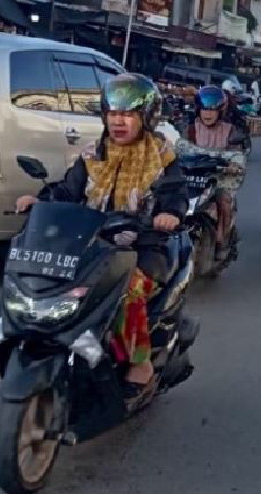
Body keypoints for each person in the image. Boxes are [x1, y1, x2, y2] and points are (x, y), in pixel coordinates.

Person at [15, 74, 187, 405]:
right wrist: (41, 201)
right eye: (113, 113)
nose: (119, 121)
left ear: (146, 117)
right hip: (91, 242)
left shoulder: (161, 155)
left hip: (144, 245)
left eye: (129, 114)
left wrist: (171, 214)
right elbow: (68, 190)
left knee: (128, 289)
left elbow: (175, 193)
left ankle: (141, 363)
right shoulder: (93, 153)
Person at [186, 85, 245, 261]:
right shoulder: (190, 129)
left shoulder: (229, 130)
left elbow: (237, 152)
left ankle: (222, 239)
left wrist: (234, 163)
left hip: (221, 176)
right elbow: (178, 148)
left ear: (221, 110)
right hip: (192, 174)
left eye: (212, 109)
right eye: (204, 108)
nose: (208, 113)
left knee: (224, 201)